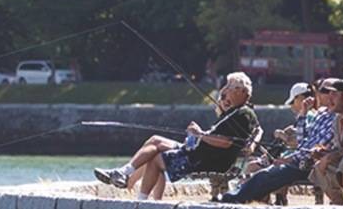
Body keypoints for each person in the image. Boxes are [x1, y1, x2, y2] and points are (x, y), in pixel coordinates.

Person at [94, 72, 260, 201]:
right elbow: (236, 134)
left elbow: (226, 142)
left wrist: (200, 134)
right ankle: (125, 174)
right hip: (199, 152)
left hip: (203, 159)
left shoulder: (242, 115)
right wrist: (201, 134)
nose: (225, 91)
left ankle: (139, 198)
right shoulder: (237, 113)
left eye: (229, 87)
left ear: (241, 92)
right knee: (155, 140)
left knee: (155, 157)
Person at [216, 81, 334, 204]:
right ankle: (238, 196)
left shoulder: (331, 117)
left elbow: (309, 149)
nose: (319, 94)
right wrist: (303, 113)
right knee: (264, 173)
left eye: (325, 91)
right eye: (320, 91)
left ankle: (237, 198)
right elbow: (303, 141)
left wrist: (288, 157)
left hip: (307, 163)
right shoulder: (321, 115)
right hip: (299, 160)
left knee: (266, 174)